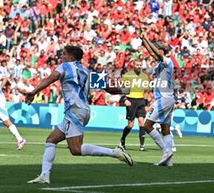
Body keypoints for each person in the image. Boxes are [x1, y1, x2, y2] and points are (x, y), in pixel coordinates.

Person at [26, 46, 133, 184]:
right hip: (81, 110)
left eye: (64, 54)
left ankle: (115, 152)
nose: (61, 57)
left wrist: (33, 92)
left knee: (75, 149)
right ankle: (44, 176)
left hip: (75, 110)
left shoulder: (65, 66)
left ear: (71, 57)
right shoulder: (87, 71)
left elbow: (52, 77)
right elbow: (110, 89)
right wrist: (125, 89)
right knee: (51, 140)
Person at [140, 34, 176, 166]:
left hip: (164, 98)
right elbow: (152, 53)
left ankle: (166, 151)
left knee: (147, 125)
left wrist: (148, 40)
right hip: (168, 98)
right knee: (165, 128)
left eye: (158, 51)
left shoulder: (167, 62)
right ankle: (168, 160)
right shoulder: (161, 63)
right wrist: (144, 40)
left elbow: (156, 54)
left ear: (163, 52)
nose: (155, 54)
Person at [119, 59, 149, 151]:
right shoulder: (127, 75)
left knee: (141, 122)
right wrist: (125, 99)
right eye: (137, 65)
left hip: (140, 100)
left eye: (140, 65)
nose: (139, 66)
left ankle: (142, 146)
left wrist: (146, 104)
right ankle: (122, 140)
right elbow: (124, 88)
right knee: (130, 125)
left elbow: (146, 90)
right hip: (131, 100)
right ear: (133, 65)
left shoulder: (145, 76)